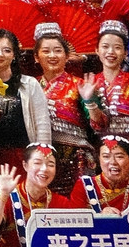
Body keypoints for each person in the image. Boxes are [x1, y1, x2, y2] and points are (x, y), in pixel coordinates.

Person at [83, 20, 129, 172]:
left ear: (126, 52)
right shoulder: (89, 84)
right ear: (96, 50)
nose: (110, 52)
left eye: (117, 47)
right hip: (103, 154)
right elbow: (96, 125)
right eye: (105, 47)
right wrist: (89, 100)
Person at [0, 28, 50, 180]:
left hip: (23, 158)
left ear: (14, 56)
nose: (0, 54)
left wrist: (42, 158)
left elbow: (42, 125)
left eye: (7, 50)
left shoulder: (29, 84)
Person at [32, 25, 95, 193]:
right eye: (46, 51)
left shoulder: (80, 85)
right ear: (36, 57)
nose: (52, 56)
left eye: (58, 51)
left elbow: (99, 125)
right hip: (41, 156)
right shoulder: (30, 85)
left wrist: (90, 101)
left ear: (67, 56)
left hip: (75, 156)